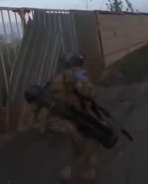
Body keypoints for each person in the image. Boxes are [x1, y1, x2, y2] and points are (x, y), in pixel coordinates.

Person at [35, 53, 100, 184]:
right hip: (73, 116)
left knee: (67, 144)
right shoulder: (77, 73)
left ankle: (66, 173)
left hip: (55, 118)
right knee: (90, 139)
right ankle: (90, 172)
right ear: (79, 63)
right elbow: (89, 92)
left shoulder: (56, 77)